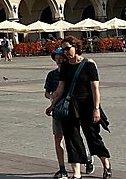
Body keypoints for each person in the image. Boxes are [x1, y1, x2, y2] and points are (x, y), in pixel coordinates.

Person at [46, 39, 111, 179]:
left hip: (87, 104)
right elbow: (60, 88)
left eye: (67, 48)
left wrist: (96, 109)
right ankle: (76, 173)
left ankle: (106, 165)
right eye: (63, 49)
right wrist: (52, 105)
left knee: (92, 137)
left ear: (76, 47)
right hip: (70, 106)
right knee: (71, 138)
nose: (65, 52)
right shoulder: (65, 66)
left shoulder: (89, 65)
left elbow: (95, 89)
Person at [44, 48, 93, 179]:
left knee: (74, 138)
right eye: (56, 58)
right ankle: (62, 168)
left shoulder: (71, 72)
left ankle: (86, 158)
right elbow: (47, 92)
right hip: (58, 110)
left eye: (61, 58)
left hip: (72, 109)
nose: (58, 60)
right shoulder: (52, 75)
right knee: (58, 138)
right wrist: (51, 98)